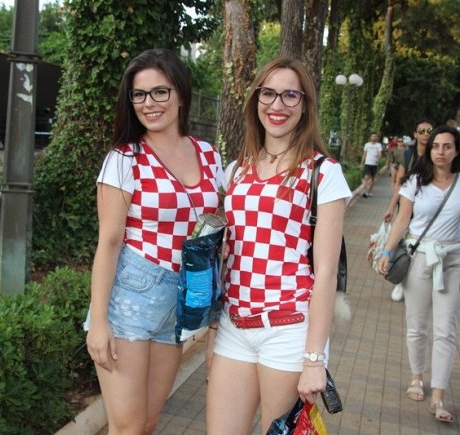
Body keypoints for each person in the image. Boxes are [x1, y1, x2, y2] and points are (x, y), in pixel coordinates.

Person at [206, 58, 352, 434]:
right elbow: (229, 258)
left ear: (305, 105)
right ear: (256, 100)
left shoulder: (322, 172)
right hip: (234, 327)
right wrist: (213, 331)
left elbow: (326, 273)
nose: (277, 105)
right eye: (268, 93)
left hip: (288, 329)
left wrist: (314, 359)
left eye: (290, 95)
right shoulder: (236, 170)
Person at [84, 48, 224, 434]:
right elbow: (109, 242)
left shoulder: (209, 155)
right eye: (139, 94)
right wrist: (99, 323)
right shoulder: (125, 159)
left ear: (180, 94)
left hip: (179, 299)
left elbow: (220, 228)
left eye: (160, 91)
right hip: (131, 295)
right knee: (127, 428)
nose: (150, 103)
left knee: (147, 423)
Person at [378, 125, 460, 423]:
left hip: (453, 259)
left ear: (456, 151)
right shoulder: (415, 182)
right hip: (419, 257)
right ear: (429, 150)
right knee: (417, 325)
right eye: (436, 146)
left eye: (447, 146)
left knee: (446, 329)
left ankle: (439, 397)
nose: (441, 152)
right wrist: (386, 252)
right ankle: (417, 377)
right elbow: (402, 218)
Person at [384, 118, 435, 302]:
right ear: (415, 134)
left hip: (428, 207)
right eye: (422, 131)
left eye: (429, 131)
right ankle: (401, 279)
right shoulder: (407, 154)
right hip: (407, 205)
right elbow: (400, 182)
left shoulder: (436, 154)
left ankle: (424, 281)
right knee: (406, 242)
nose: (426, 134)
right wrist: (391, 208)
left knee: (424, 241)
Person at [360, 132, 382, 198]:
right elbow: (364, 154)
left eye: (375, 136)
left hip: (374, 164)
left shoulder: (378, 145)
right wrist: (362, 163)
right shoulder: (367, 145)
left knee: (372, 179)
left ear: (377, 137)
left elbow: (380, 154)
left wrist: (378, 160)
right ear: (370, 137)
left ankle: (369, 191)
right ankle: (366, 191)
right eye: (373, 136)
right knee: (366, 177)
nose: (374, 137)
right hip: (367, 163)